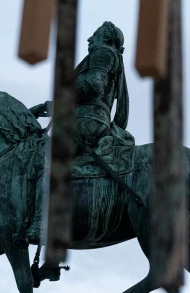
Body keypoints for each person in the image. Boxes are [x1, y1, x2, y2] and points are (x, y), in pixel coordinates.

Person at [22, 21, 130, 248]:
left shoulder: (103, 53)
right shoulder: (110, 56)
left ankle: (42, 223)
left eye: (95, 36)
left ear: (107, 39)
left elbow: (94, 84)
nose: (90, 40)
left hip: (87, 122)